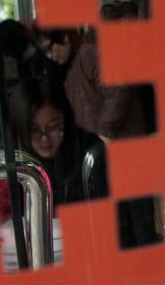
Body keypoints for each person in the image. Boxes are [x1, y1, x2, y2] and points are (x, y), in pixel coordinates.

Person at [7, 76, 108, 206]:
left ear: (66, 120)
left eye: (53, 127)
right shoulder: (16, 163)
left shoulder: (91, 154)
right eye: (35, 130)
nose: (45, 139)